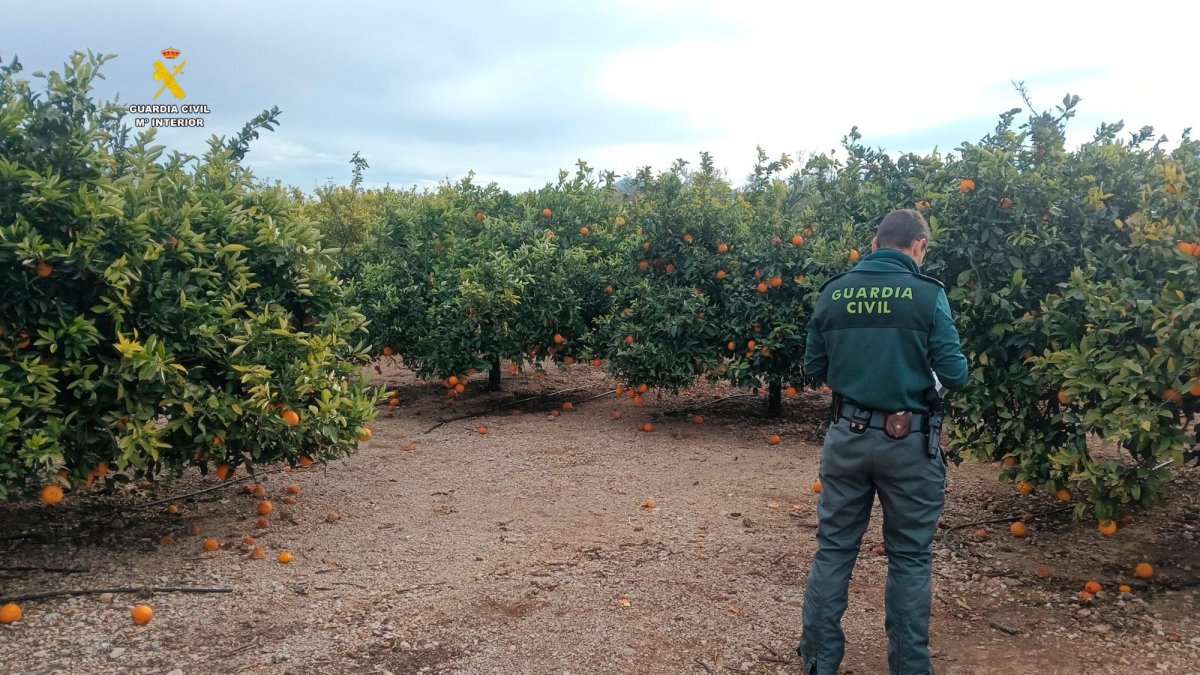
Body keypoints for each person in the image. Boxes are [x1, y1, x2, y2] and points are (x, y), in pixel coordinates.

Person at [797, 209, 969, 675]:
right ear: (918, 246)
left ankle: (818, 660)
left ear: (874, 244)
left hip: (846, 437)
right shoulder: (928, 296)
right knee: (910, 558)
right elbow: (956, 374)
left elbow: (813, 368)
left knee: (834, 550)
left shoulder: (834, 293)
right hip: (910, 444)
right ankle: (909, 668)